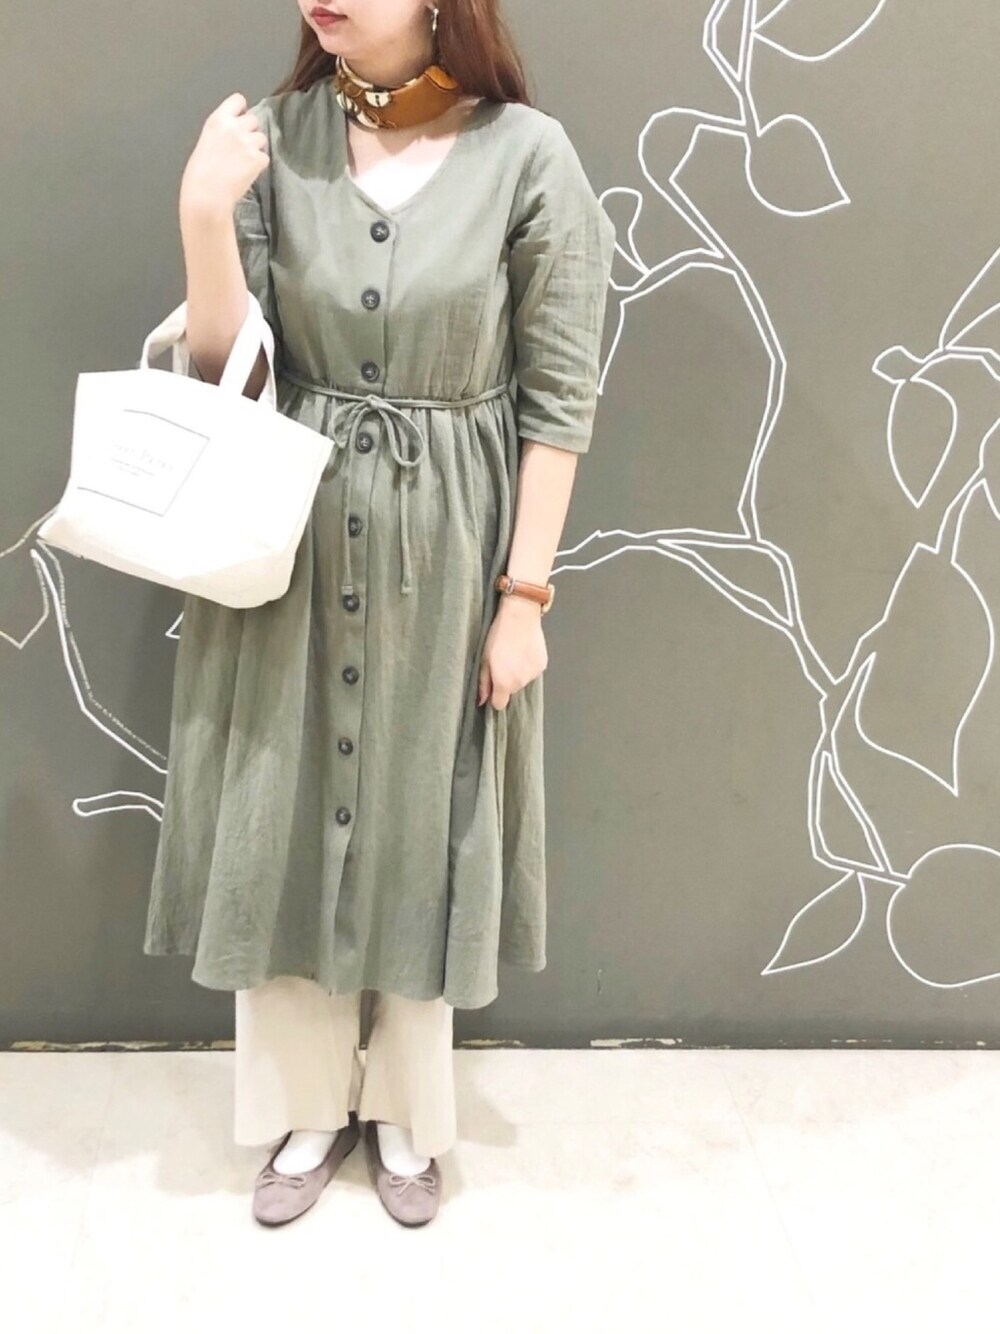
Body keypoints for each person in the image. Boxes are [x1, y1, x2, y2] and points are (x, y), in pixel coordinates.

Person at [143, 0, 616, 1228]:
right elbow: (228, 376)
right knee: (287, 799)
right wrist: (204, 217)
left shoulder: (528, 155)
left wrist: (524, 597)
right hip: (287, 536)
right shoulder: (273, 137)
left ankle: (407, 1104)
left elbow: (560, 398)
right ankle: (303, 1103)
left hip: (449, 548)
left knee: (423, 807)